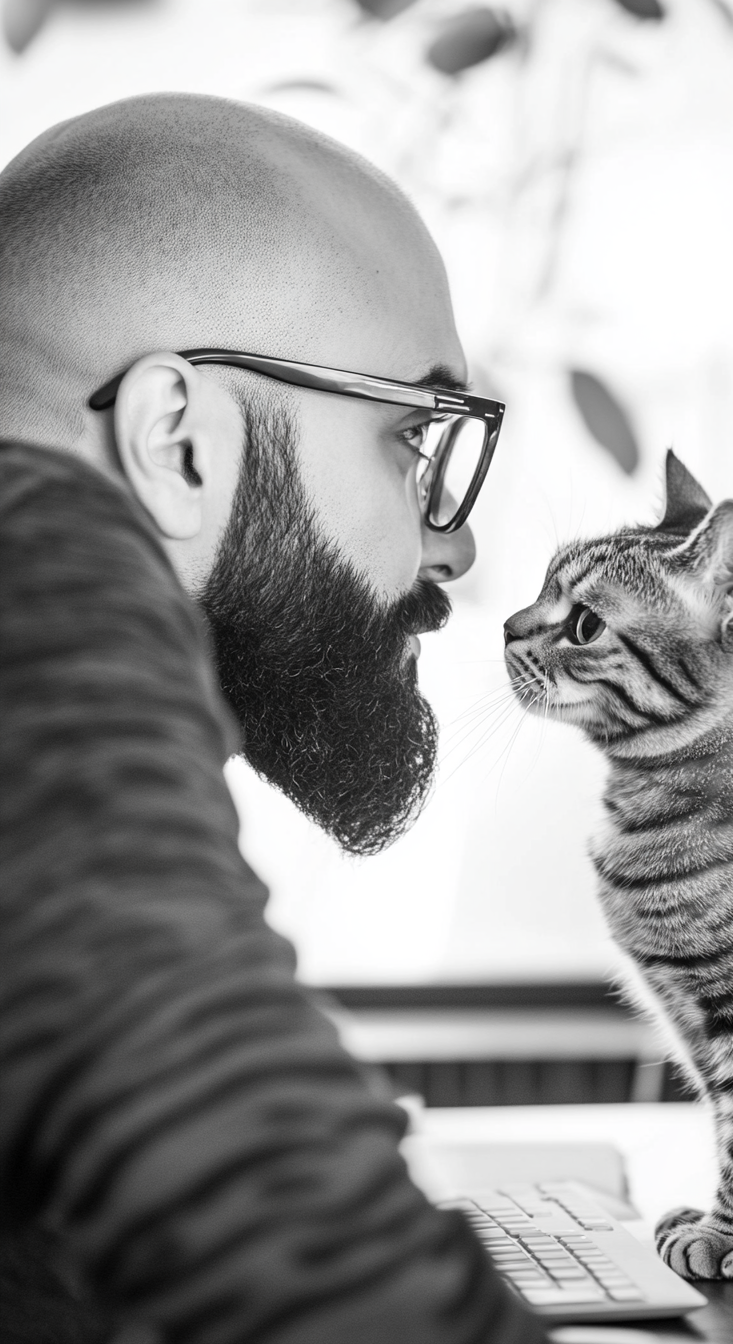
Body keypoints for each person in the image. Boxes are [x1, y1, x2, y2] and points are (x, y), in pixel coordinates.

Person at [0, 94, 546, 1343]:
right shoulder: (32, 542)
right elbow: (296, 1255)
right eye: (413, 442)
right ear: (176, 442)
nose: (452, 540)